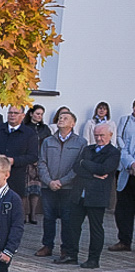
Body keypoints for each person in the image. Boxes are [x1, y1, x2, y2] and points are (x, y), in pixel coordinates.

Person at [59, 123, 120, 268]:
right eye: (96, 135)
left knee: (96, 228)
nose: (98, 138)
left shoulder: (113, 152)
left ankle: (93, 259)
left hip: (97, 196)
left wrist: (85, 164)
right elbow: (77, 167)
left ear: (110, 135)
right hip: (79, 194)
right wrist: (93, 172)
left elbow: (104, 169)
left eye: (102, 135)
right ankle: (71, 255)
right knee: (72, 226)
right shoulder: (88, 149)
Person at [36, 108, 86, 258]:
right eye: (60, 117)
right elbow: (41, 162)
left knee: (67, 218)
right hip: (48, 186)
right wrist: (49, 181)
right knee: (49, 217)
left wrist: (62, 181)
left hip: (68, 187)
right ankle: (47, 245)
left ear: (73, 123)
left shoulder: (81, 142)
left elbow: (78, 166)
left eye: (65, 118)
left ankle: (66, 248)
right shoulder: (48, 141)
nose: (61, 119)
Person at [0, 105, 39, 197]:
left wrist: (14, 161)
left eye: (15, 113)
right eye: (10, 113)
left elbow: (33, 156)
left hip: (16, 178)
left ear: (23, 115)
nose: (12, 115)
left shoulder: (29, 133)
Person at [111, 100, 135, 252]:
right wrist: (131, 163)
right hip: (127, 171)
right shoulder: (125, 121)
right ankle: (124, 240)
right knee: (123, 209)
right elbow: (120, 142)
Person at [23, 104, 53, 224]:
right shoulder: (25, 127)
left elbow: (49, 144)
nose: (39, 116)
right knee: (25, 189)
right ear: (31, 114)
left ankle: (33, 213)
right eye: (37, 113)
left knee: (35, 189)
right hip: (27, 161)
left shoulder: (45, 129)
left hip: (40, 161)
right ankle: (24, 213)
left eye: (41, 114)